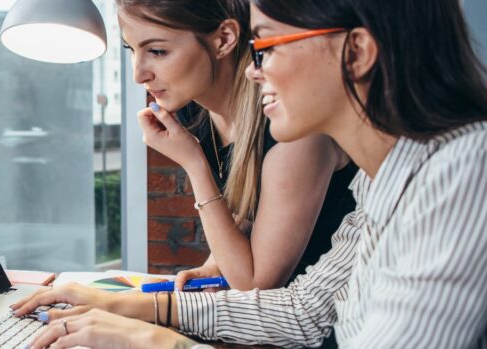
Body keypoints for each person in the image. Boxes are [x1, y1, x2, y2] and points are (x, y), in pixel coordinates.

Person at [13, 0, 487, 347]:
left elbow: (262, 284)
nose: (255, 71)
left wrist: (157, 342)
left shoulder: (463, 173)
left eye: (268, 47)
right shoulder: (378, 184)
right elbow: (302, 311)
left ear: (356, 52)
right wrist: (135, 306)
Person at [117, 0, 358, 295]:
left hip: (323, 320)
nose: (138, 74)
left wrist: (194, 163)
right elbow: (249, 212)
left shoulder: (293, 124)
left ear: (224, 39)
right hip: (260, 325)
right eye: (131, 49)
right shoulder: (195, 111)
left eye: (157, 51)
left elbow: (255, 282)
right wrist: (213, 267)